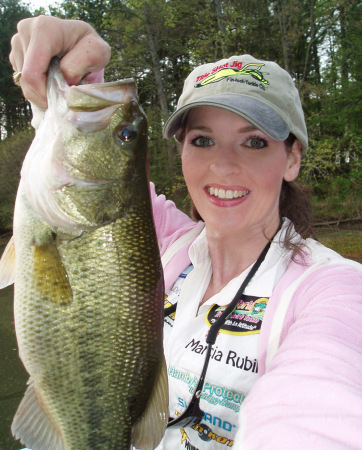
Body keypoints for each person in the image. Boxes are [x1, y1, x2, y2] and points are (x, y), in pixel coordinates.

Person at [10, 15, 362, 450]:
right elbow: (89, 162)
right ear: (181, 153)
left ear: (292, 158)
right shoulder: (158, 238)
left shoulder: (333, 289)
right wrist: (72, 68)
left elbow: (320, 407)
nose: (223, 165)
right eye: (202, 140)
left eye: (254, 141)